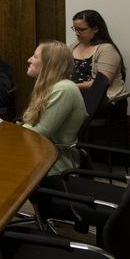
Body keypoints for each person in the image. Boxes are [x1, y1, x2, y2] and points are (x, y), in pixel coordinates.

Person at [21, 41, 88, 176]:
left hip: (54, 164)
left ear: (49, 63)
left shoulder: (64, 89)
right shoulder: (50, 86)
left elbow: (40, 133)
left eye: (34, 57)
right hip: (41, 153)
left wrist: (10, 130)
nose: (29, 60)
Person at [68, 9, 128, 102]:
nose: (77, 33)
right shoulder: (73, 46)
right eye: (75, 29)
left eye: (82, 29)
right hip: (76, 96)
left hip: (102, 101)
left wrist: (70, 87)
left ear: (95, 29)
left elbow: (102, 83)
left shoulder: (107, 49)